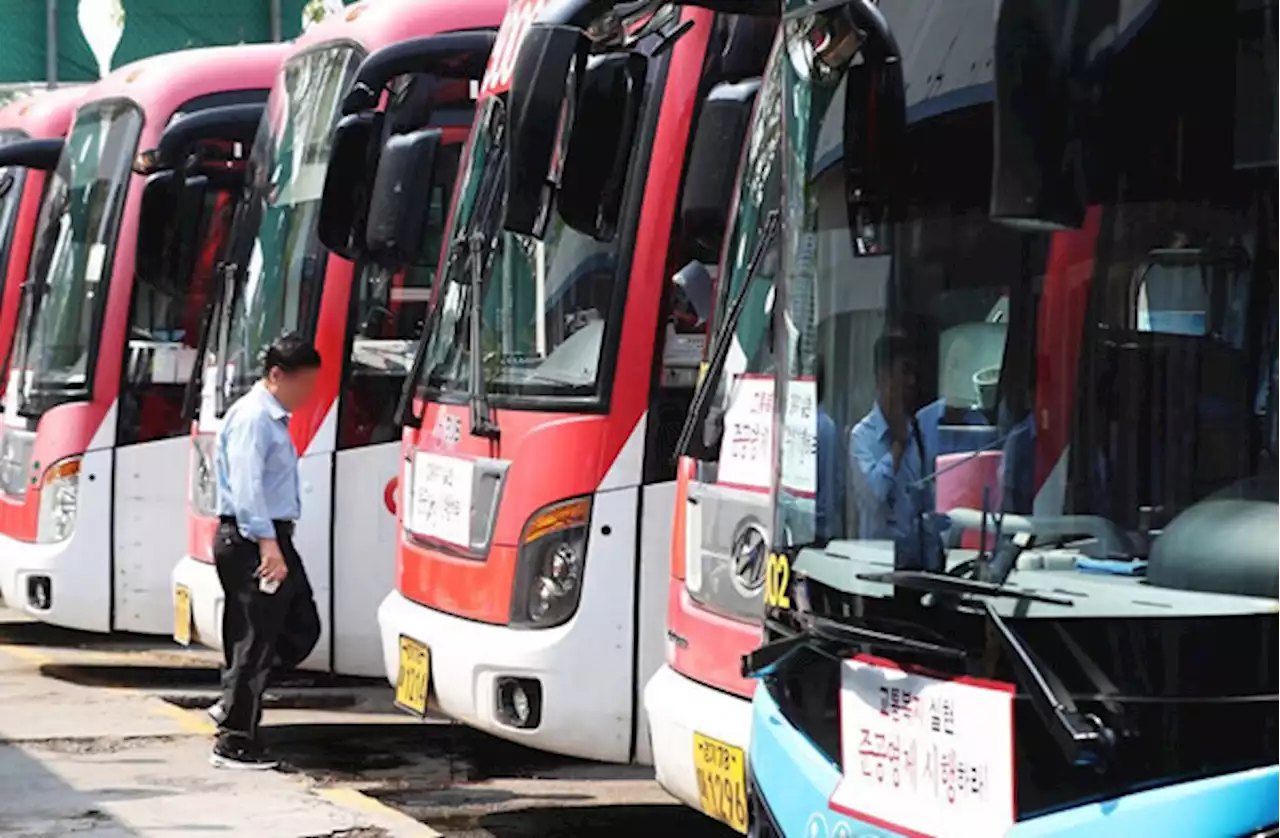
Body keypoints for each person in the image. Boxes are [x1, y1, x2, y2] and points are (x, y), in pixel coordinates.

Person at [209, 333, 322, 770]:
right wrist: (268, 546)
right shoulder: (255, 418)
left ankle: (234, 700)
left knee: (297, 625)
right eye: (304, 385)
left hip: (269, 537)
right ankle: (235, 738)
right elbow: (247, 488)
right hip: (253, 538)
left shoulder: (272, 417)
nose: (308, 395)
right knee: (254, 638)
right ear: (277, 376)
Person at [850, 332, 943, 570]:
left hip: (915, 569)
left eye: (913, 374)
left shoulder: (918, 434)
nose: (910, 381)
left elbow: (926, 506)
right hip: (876, 569)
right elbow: (875, 496)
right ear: (883, 377)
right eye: (904, 371)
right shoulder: (862, 437)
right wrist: (897, 448)